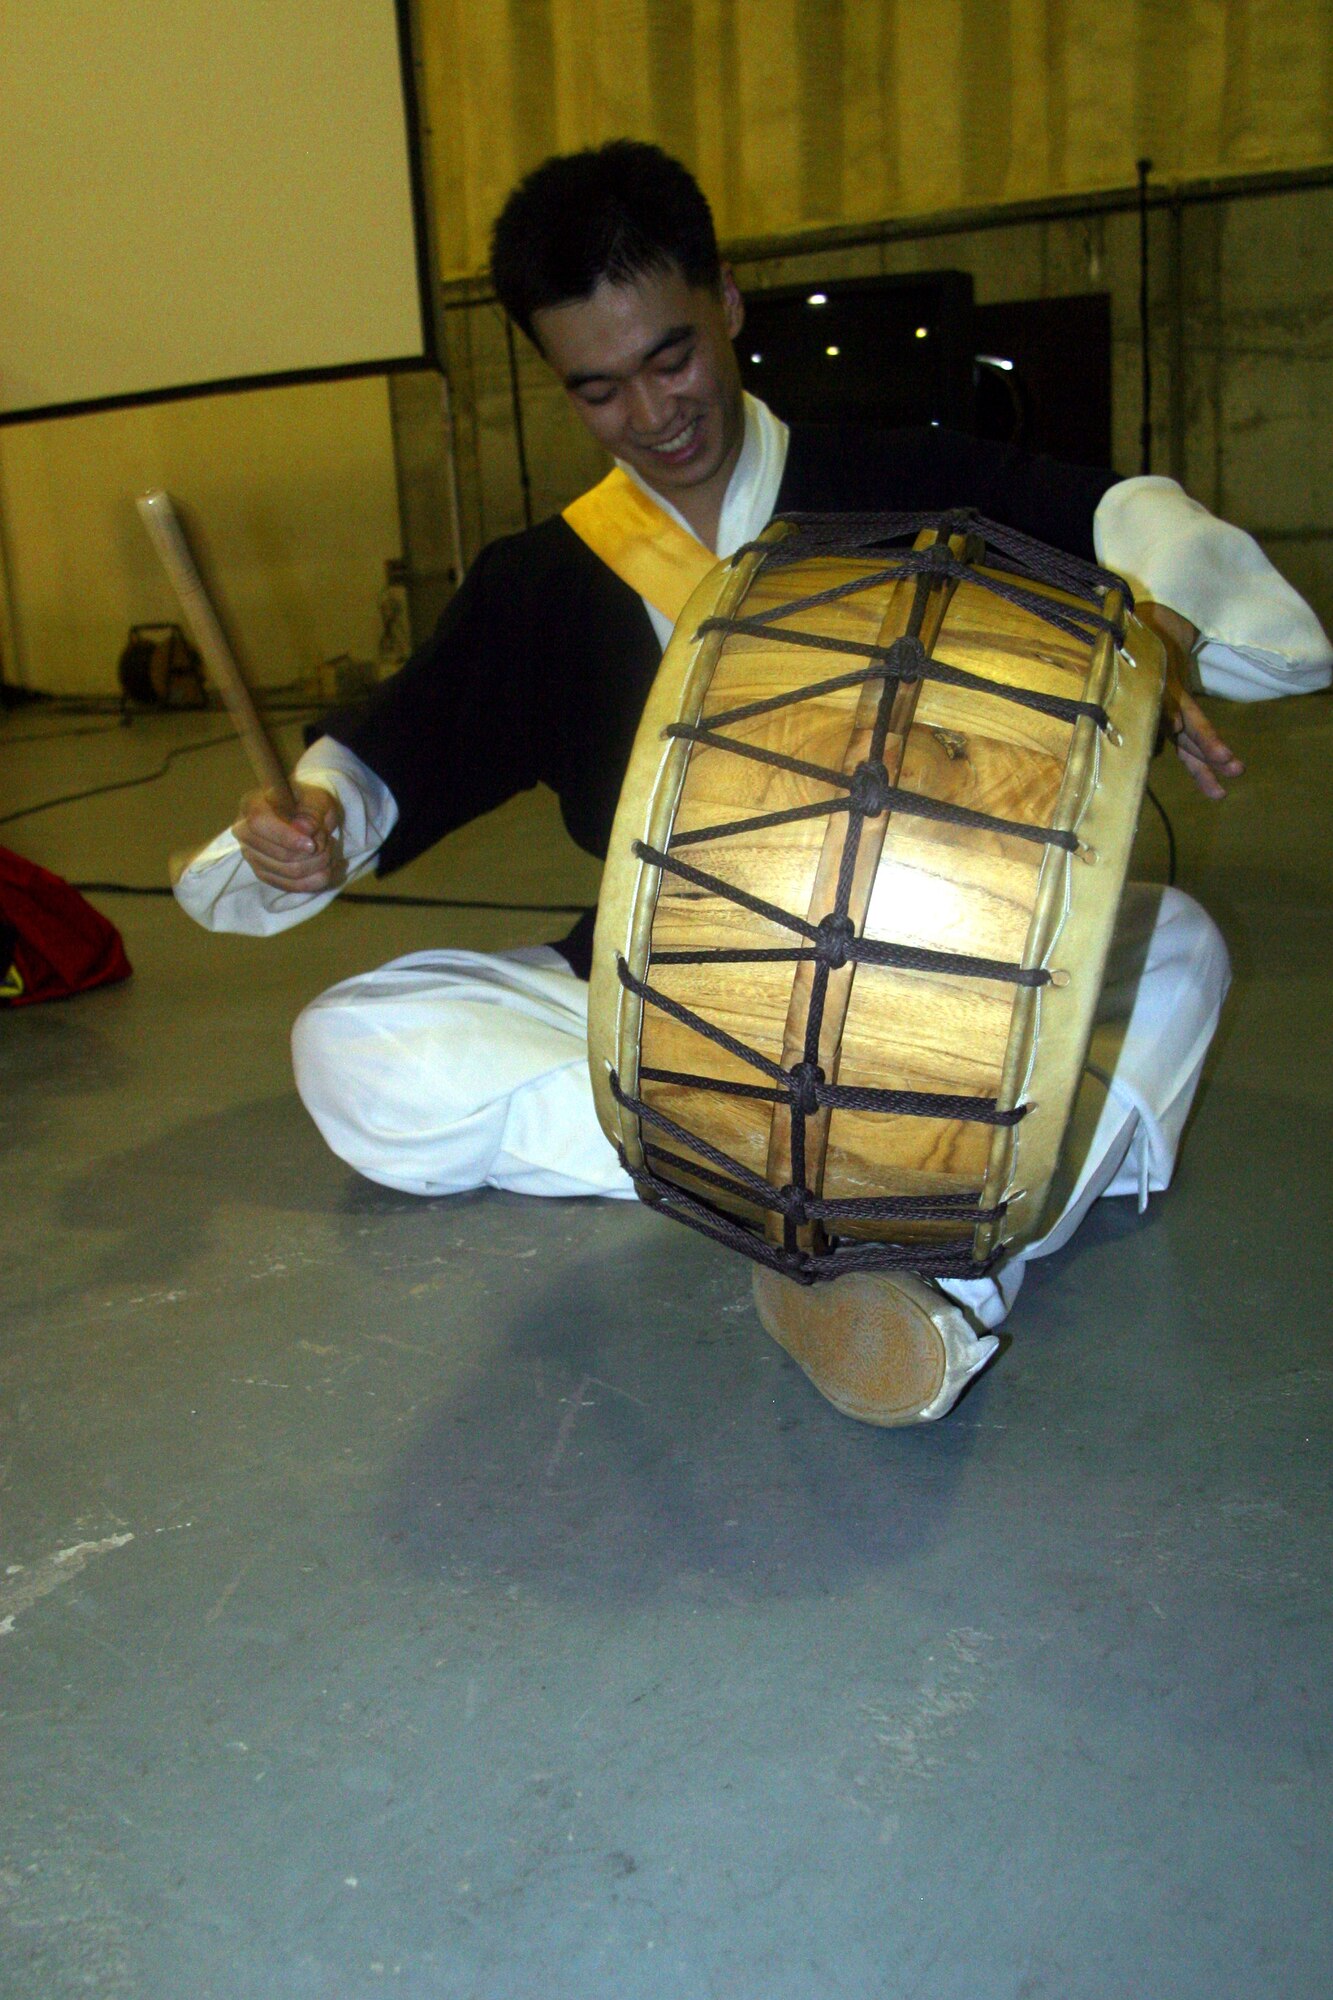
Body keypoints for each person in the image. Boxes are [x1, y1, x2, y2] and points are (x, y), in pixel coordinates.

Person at [175, 141, 1331, 1426]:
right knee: (353, 1047)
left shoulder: (907, 482)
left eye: (670, 356)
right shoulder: (542, 583)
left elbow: (1133, 519)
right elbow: (389, 752)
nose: (654, 414)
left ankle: (916, 1247)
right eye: (600, 390)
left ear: (727, 302)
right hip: (662, 1004)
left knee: (1176, 946)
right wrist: (318, 816)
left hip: (938, 996)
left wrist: (1153, 625)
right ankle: (878, 1231)